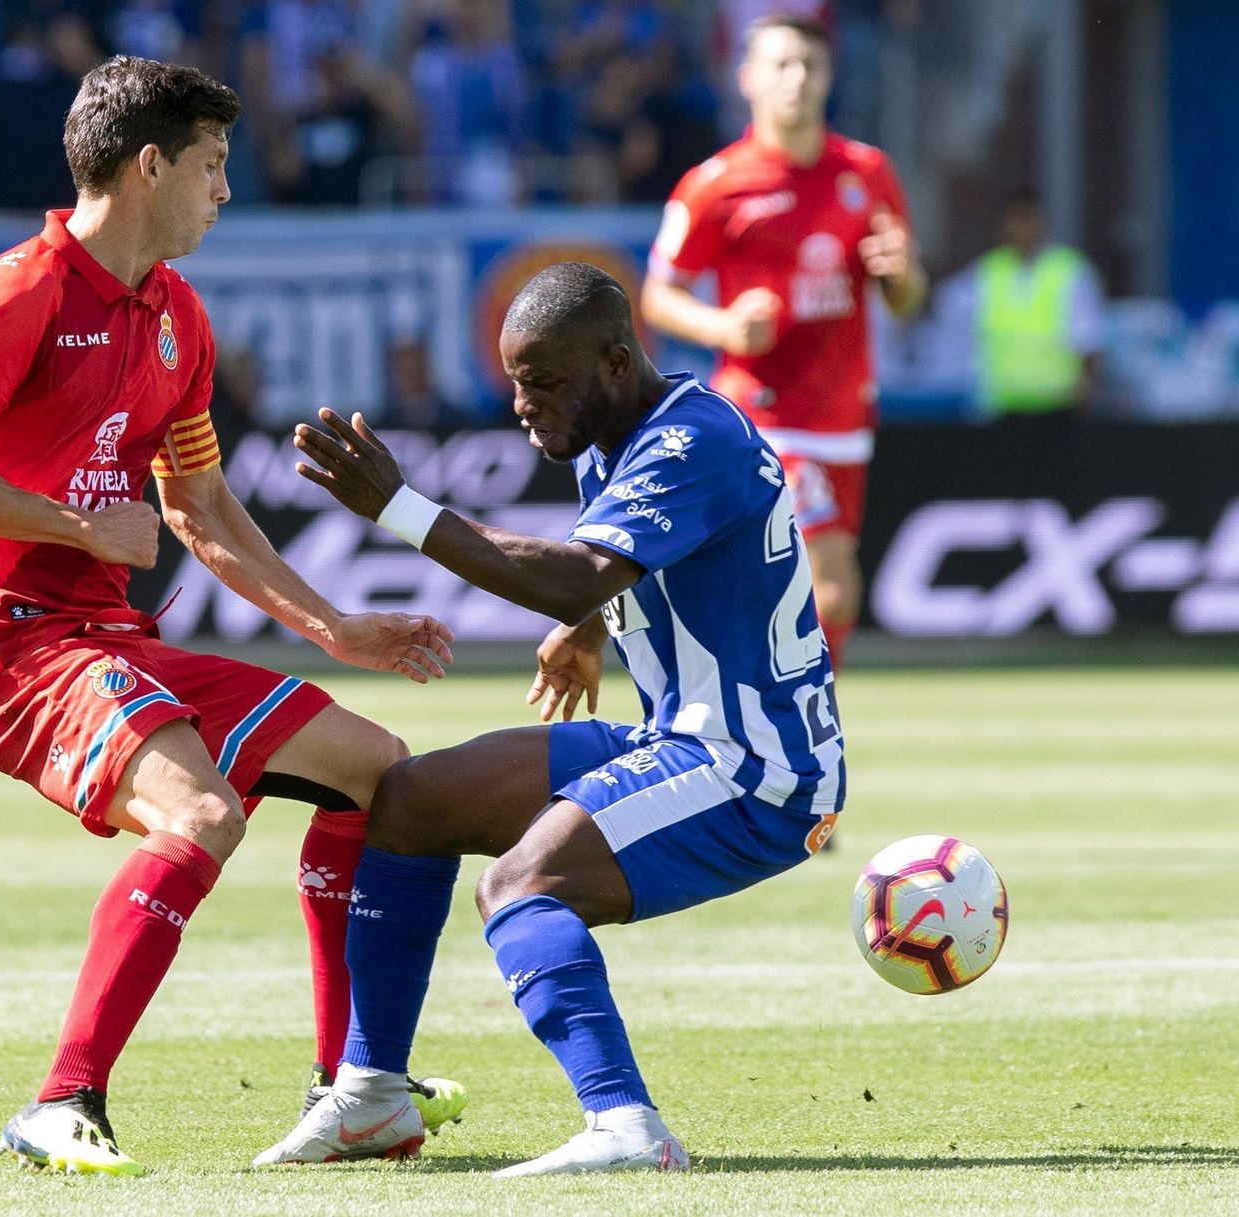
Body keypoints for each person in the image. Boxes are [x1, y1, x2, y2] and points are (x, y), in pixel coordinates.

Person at [0, 56, 463, 1177]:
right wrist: (77, 526)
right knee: (200, 815)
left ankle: (356, 1089)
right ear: (150, 165)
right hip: (10, 646)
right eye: (212, 164)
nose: (225, 191)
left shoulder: (176, 318)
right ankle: (60, 1100)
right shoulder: (21, 292)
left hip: (109, 642)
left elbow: (195, 502)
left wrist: (333, 624)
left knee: (380, 774)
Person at [254, 262, 845, 1174]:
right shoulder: (621, 430)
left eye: (543, 382)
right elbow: (627, 570)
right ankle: (370, 1092)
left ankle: (626, 1127)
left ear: (614, 363)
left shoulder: (691, 440)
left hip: (753, 768)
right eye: (515, 381)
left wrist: (401, 508)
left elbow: (575, 570)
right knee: (415, 799)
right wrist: (586, 626)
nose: (523, 405)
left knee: (522, 886)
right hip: (683, 737)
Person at [640, 13, 926, 671]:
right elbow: (657, 295)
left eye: (810, 65)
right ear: (747, 79)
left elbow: (907, 300)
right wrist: (724, 326)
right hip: (764, 414)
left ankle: (766, 732)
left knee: (800, 597)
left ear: (829, 76)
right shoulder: (717, 184)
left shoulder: (868, 172)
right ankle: (802, 745)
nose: (796, 80)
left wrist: (903, 272)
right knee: (832, 583)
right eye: (780, 65)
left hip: (845, 415)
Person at [939, 188, 1106, 425]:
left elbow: (1089, 338)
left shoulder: (1070, 271)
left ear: (1042, 221)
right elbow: (944, 307)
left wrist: (1086, 386)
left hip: (1058, 406)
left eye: (1027, 218)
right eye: (1013, 219)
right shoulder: (988, 271)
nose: (1021, 228)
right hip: (1002, 407)